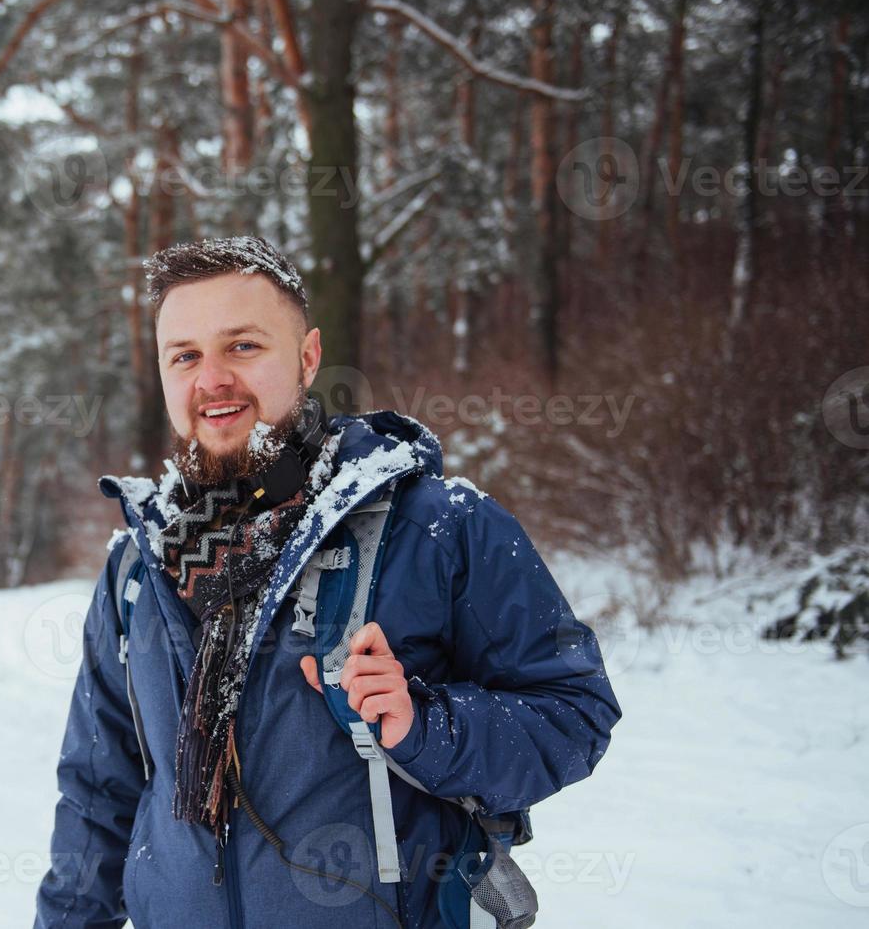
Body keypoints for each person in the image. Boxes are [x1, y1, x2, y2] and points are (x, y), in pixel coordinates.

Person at [33, 235, 621, 928]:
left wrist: (424, 725)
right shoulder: (138, 565)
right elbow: (98, 794)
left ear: (308, 356)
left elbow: (573, 713)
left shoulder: (437, 526)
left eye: (242, 346)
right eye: (185, 355)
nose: (211, 378)